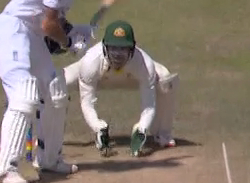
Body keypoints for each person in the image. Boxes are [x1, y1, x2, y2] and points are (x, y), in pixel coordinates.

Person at [0, 0, 99, 183]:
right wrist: (69, 43)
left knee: (55, 92)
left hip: (32, 33)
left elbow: (54, 18)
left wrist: (75, 30)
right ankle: (5, 169)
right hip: (13, 30)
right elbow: (49, 26)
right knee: (24, 95)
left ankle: (49, 159)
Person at [62, 19, 181, 156]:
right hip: (99, 77)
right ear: (104, 47)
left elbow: (149, 105)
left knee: (166, 79)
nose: (118, 55)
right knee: (56, 84)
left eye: (123, 49)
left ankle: (162, 134)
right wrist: (98, 127)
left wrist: (142, 127)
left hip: (132, 78)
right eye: (113, 48)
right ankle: (49, 138)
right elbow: (87, 103)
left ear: (132, 48)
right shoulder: (91, 62)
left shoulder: (144, 64)